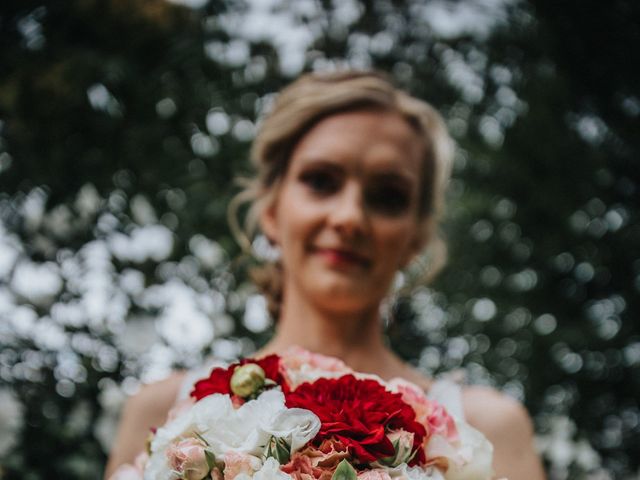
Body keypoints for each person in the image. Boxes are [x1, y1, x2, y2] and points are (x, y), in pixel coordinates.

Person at [104, 71, 546, 479]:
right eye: (321, 180)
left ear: (415, 237)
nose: (350, 217)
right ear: (272, 210)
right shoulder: (163, 412)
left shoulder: (489, 428)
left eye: (388, 196)